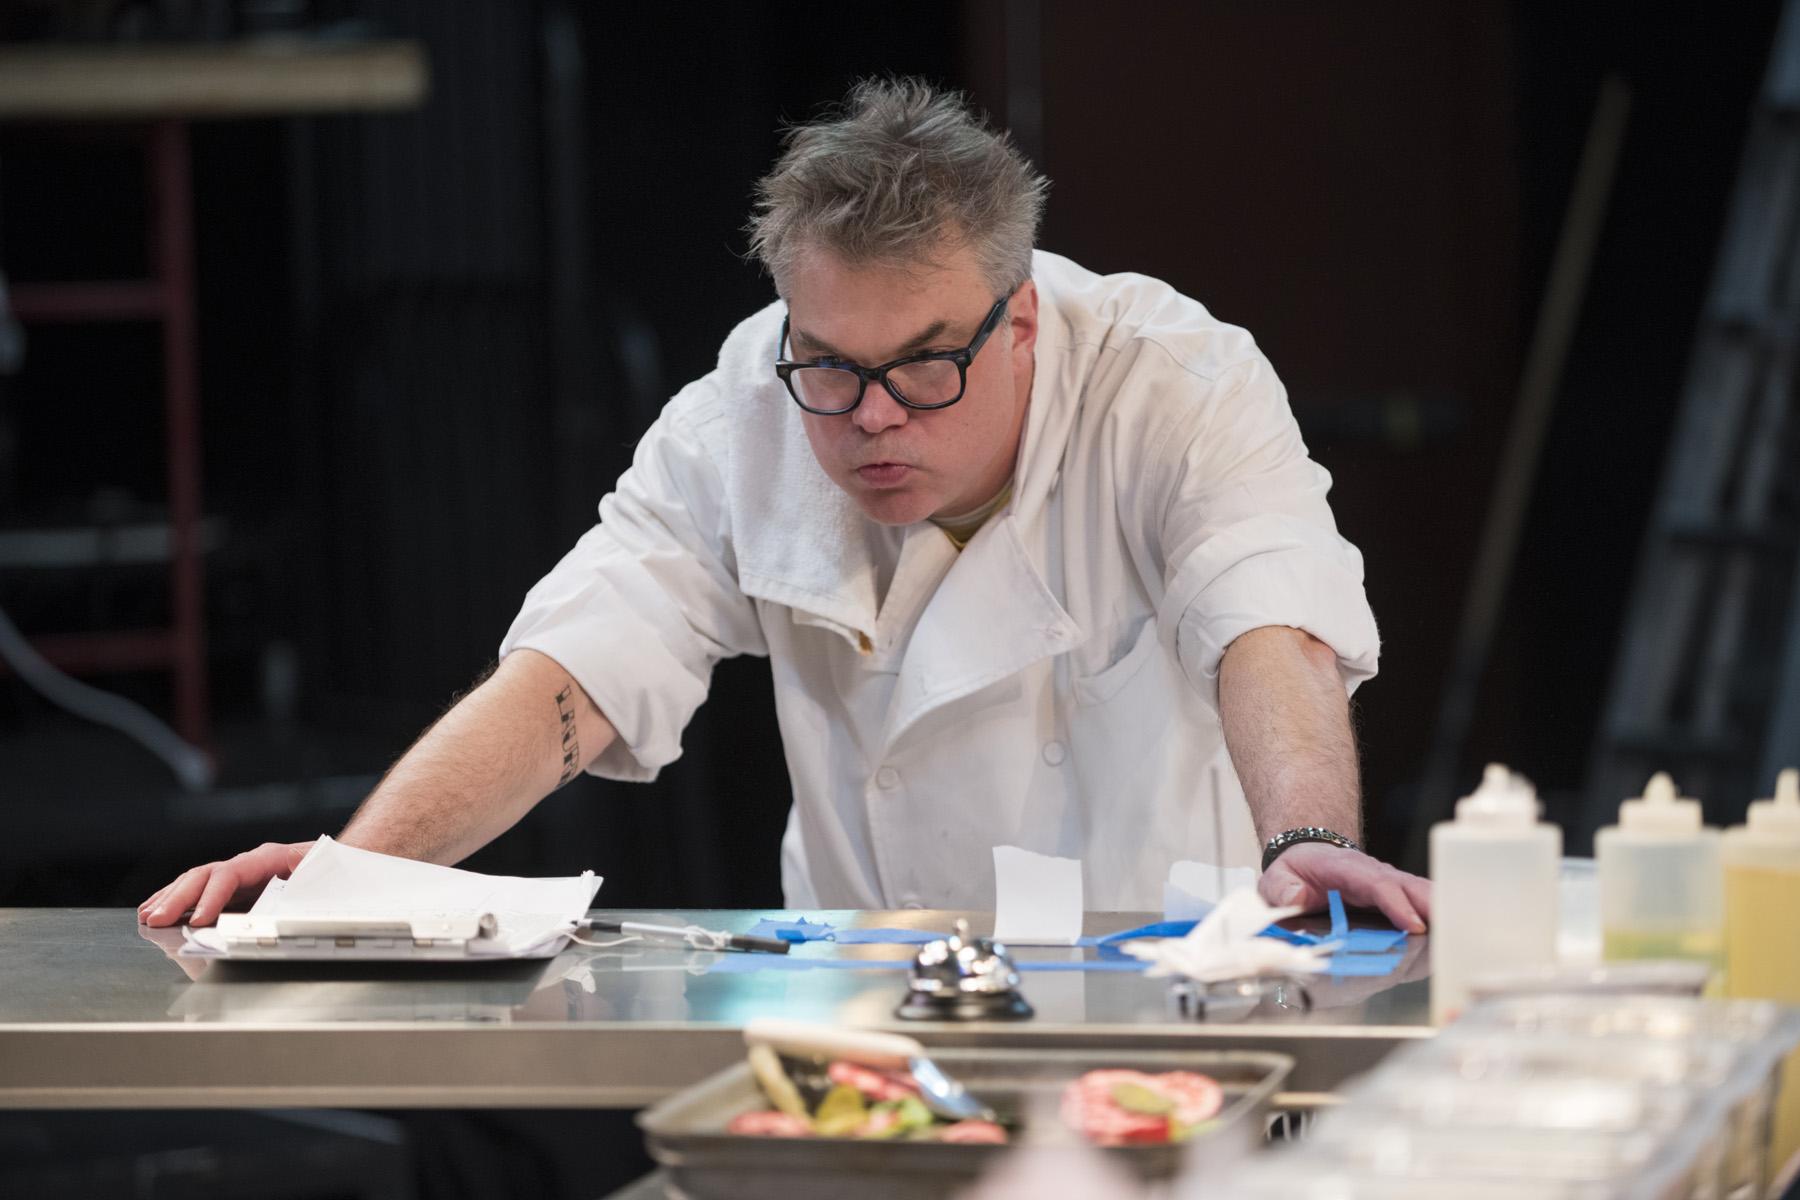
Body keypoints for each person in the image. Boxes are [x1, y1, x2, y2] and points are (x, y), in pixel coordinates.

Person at [141, 77, 1430, 933]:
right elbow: (573, 674)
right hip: (866, 1023)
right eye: (830, 365)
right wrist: (364, 873)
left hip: (1172, 1011)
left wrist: (1308, 835)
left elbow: (1270, 615)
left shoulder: (1172, 380)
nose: (872, 414)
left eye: (928, 363)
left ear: (1022, 319)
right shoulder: (745, 414)